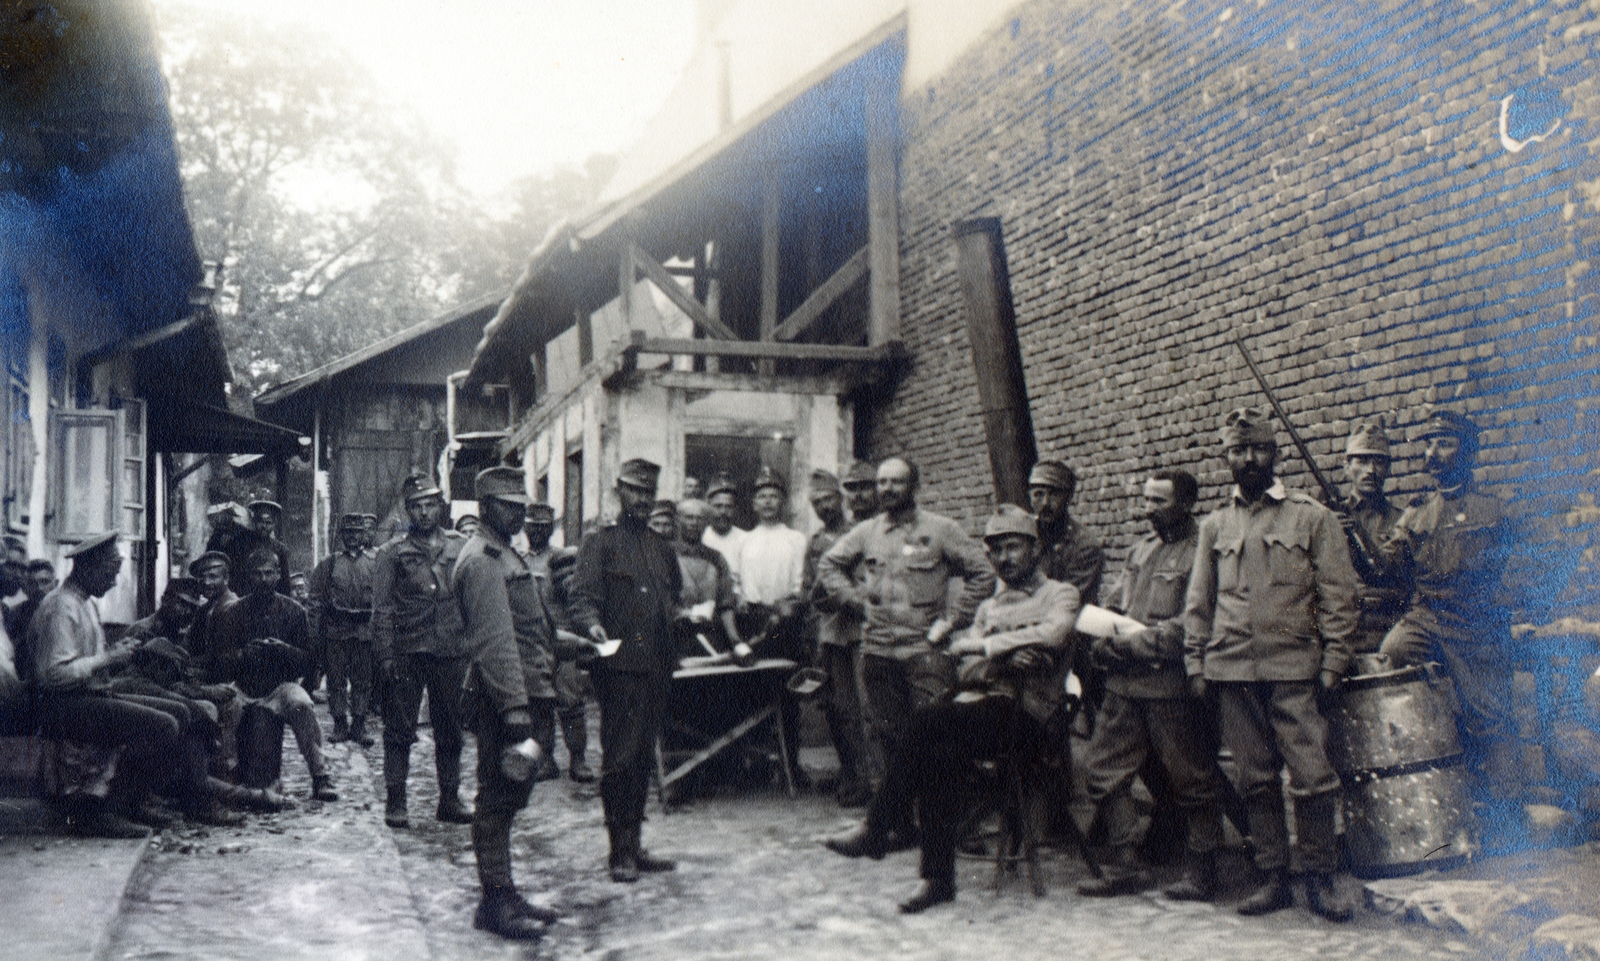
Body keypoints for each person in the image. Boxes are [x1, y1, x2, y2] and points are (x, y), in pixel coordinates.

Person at [825, 505, 1080, 913]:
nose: (1004, 559)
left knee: (927, 721)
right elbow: (964, 663)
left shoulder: (1060, 594)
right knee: (936, 754)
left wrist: (989, 646)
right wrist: (1007, 658)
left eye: (1013, 547)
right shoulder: (987, 607)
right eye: (995, 551)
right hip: (986, 710)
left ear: (1035, 549)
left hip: (1032, 718)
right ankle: (937, 879)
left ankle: (876, 827)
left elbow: (1054, 634)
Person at [1183, 407, 1359, 920]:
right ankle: (1273, 876)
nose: (1248, 459)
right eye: (1238, 451)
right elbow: (1199, 602)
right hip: (1233, 669)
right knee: (1255, 778)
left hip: (1294, 668)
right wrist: (1197, 664)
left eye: (1258, 449)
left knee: (1311, 775)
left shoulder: (1311, 517)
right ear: (1227, 458)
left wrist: (1334, 661)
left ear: (1274, 453)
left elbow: (1338, 596)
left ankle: (1320, 875)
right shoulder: (1214, 527)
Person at [1077, 469, 1224, 901]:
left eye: (1157, 501)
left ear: (1186, 504)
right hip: (1125, 687)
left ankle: (1203, 872)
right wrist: (1102, 639)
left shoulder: (1202, 552)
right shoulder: (1141, 550)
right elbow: (1113, 605)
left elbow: (1191, 625)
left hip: (1171, 688)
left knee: (1192, 779)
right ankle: (1126, 866)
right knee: (1102, 769)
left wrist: (1130, 646)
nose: (1147, 509)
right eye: (1146, 500)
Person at [29, 534, 240, 835]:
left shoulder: (82, 602)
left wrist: (113, 656)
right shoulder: (61, 607)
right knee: (163, 725)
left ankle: (139, 802)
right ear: (89, 568)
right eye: (110, 573)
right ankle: (102, 809)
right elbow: (53, 676)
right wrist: (108, 659)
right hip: (62, 705)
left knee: (182, 712)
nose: (114, 582)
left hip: (87, 696)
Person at [454, 466, 582, 940]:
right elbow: (495, 642)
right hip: (506, 698)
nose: (521, 513)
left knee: (509, 798)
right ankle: (494, 902)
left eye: (522, 505)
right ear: (485, 507)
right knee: (496, 799)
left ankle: (504, 892)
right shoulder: (484, 559)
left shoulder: (506, 554)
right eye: (509, 505)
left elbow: (532, 632)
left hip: (528, 690)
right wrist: (514, 711)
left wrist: (574, 644)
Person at [1377, 410, 1524, 819]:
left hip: (1478, 624)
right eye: (1429, 444)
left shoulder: (1495, 510)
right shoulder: (1416, 514)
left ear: (1468, 451)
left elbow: (1523, 567)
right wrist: (1355, 541)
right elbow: (1384, 570)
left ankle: (1507, 816)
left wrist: (1500, 603)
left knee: (1491, 718)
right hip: (1429, 618)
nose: (1433, 453)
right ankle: (1436, 764)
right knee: (1394, 651)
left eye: (1445, 443)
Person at [817, 457, 996, 777]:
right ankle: (901, 822)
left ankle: (938, 821)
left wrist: (955, 620)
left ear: (914, 486)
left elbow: (983, 573)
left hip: (925, 651)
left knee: (935, 737)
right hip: (878, 651)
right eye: (882, 482)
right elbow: (829, 565)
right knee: (888, 738)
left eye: (896, 482)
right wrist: (856, 601)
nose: (887, 489)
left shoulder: (942, 529)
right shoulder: (866, 531)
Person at [568, 458, 684, 883]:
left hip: (656, 667)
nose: (642, 499)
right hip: (618, 670)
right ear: (619, 491)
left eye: (649, 492)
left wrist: (678, 619)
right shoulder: (600, 543)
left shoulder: (661, 547)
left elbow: (672, 597)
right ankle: (619, 851)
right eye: (635, 490)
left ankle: (635, 843)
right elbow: (580, 597)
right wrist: (592, 624)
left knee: (642, 760)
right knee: (619, 760)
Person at [373, 473, 474, 829]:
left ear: (441, 506)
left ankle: (449, 798)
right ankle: (396, 801)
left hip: (449, 650)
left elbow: (470, 599)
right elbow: (382, 608)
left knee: (450, 728)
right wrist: (385, 655)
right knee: (399, 729)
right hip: (407, 651)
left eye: (430, 504)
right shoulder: (392, 553)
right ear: (407, 510)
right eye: (416, 506)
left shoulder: (461, 547)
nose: (424, 512)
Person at [209, 547, 338, 802]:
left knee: (301, 704)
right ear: (248, 576)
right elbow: (218, 663)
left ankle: (321, 775)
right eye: (257, 574)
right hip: (243, 686)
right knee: (226, 709)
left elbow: (308, 663)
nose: (264, 580)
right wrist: (243, 654)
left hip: (280, 686)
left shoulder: (293, 612)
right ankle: (226, 774)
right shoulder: (233, 613)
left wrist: (284, 650)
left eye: (269, 573)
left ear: (279, 575)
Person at [805, 469, 873, 808]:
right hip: (831, 633)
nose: (823, 507)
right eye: (816, 502)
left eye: (828, 499)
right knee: (840, 708)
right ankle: (853, 774)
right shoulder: (816, 543)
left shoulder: (858, 533)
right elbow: (809, 590)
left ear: (839, 499)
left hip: (859, 630)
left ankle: (872, 778)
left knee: (866, 708)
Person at [524, 501, 590, 782]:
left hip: (563, 641)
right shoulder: (520, 560)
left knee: (570, 701)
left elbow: (574, 599)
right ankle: (546, 760)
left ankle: (578, 760)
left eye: (543, 527)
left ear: (550, 529)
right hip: (534, 642)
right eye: (532, 526)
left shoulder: (562, 559)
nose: (537, 531)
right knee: (538, 703)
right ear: (525, 528)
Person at [1336, 419, 1410, 652]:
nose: (1370, 470)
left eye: (1378, 462)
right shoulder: (1329, 519)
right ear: (1347, 466)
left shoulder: (1404, 521)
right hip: (1344, 634)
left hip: (1391, 632)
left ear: (1388, 469)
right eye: (1362, 460)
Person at [310, 513, 377, 746]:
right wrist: (316, 632)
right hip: (336, 630)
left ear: (365, 535)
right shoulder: (330, 564)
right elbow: (315, 598)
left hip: (363, 631)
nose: (352, 537)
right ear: (341, 536)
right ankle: (340, 724)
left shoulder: (375, 562)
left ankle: (359, 725)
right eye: (348, 533)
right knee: (336, 680)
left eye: (357, 532)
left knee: (362, 680)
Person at [671, 498, 741, 661]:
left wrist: (735, 640)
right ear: (677, 520)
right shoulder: (666, 555)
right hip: (676, 640)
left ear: (706, 524)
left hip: (712, 639)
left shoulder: (716, 558)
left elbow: (726, 604)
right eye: (688, 517)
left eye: (700, 518)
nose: (694, 523)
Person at [1027, 460, 1105, 602]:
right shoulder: (1025, 538)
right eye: (1038, 494)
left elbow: (1067, 600)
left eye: (1054, 494)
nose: (1045, 503)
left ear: (1068, 497)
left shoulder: (1085, 546)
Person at [702, 474, 747, 590]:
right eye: (718, 506)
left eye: (728, 507)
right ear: (708, 507)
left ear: (735, 509)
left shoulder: (746, 539)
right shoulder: (701, 537)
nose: (723, 512)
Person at [205, 502, 254, 594]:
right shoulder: (217, 534)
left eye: (226, 515)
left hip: (241, 576)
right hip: (223, 575)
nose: (222, 519)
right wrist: (221, 545)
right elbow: (210, 553)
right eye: (220, 516)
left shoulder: (243, 532)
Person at [248, 500, 293, 596]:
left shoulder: (280, 549)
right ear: (254, 522)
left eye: (268, 523)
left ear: (274, 524)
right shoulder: (242, 545)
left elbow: (285, 583)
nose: (264, 526)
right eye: (260, 522)